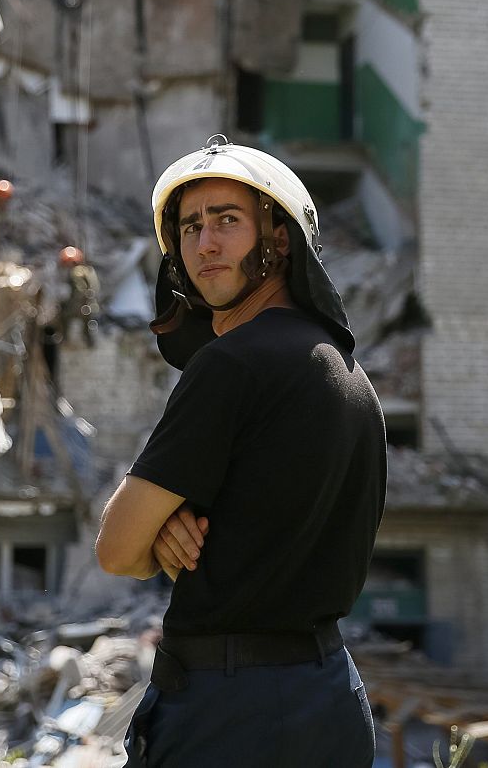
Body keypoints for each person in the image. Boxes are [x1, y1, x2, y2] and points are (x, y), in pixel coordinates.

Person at [95, 135, 387, 768]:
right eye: (191, 226)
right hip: (330, 698)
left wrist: (157, 531)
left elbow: (117, 549)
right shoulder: (350, 377)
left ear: (278, 240)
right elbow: (267, 526)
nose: (205, 244)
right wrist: (174, 526)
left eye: (228, 220)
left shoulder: (232, 366)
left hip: (229, 716)